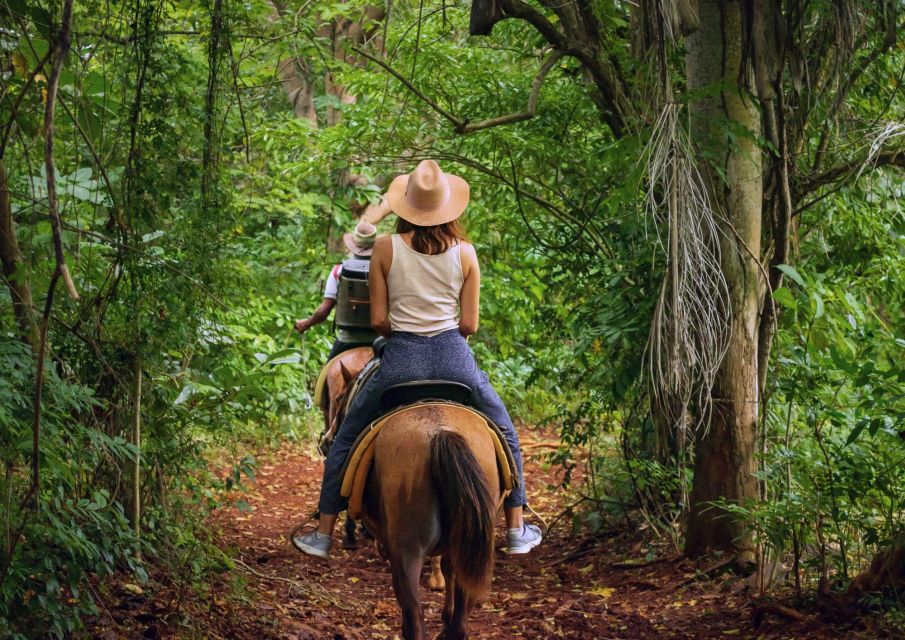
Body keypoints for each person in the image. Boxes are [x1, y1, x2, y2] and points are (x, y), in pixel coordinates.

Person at [292, 159, 543, 560]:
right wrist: (442, 338)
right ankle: (515, 528)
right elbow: (470, 324)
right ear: (448, 207)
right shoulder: (466, 252)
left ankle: (323, 532)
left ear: (406, 206)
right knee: (506, 431)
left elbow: (377, 320)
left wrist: (403, 336)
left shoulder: (386, 248)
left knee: (344, 436)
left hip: (400, 362)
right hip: (453, 360)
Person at [295, 220, 379, 359]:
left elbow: (324, 311)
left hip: (347, 340)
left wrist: (307, 323)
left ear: (353, 244)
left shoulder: (338, 271)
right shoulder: (385, 272)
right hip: (377, 341)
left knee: (324, 378)